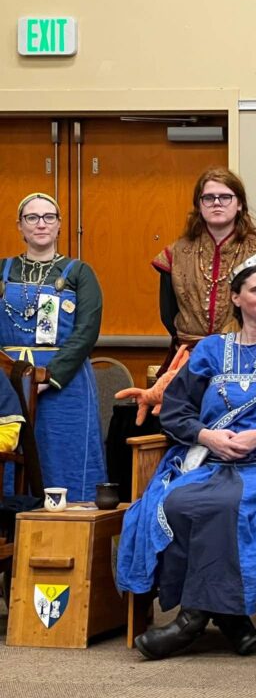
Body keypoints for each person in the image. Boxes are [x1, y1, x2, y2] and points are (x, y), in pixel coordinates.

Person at [116, 256, 256, 660]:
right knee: (175, 502)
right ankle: (232, 620)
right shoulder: (211, 351)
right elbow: (176, 409)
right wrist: (207, 436)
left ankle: (190, 621)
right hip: (209, 462)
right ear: (236, 298)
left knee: (225, 505)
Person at [0, 193, 104, 502]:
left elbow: (86, 332)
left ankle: (69, 525)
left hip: (63, 385)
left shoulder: (80, 273)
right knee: (9, 455)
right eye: (32, 217)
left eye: (49, 217)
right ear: (20, 225)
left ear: (59, 225)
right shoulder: (3, 269)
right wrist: (6, 378)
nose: (41, 224)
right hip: (6, 384)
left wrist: (49, 377)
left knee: (62, 455)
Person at [152, 167, 256, 350]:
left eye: (225, 197)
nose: (216, 203)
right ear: (199, 205)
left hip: (249, 354)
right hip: (191, 354)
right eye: (208, 198)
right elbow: (168, 313)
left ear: (239, 204)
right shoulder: (176, 254)